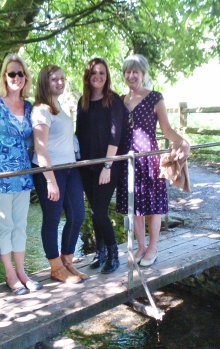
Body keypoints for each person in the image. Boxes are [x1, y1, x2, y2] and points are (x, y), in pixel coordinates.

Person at [0, 53, 42, 295]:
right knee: (6, 225)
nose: (16, 77)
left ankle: (22, 272)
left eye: (20, 73)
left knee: (20, 225)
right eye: (11, 73)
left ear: (25, 77)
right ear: (4, 76)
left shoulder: (29, 106)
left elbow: (35, 140)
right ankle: (10, 274)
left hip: (22, 174)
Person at [116, 53, 190, 267]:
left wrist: (182, 141)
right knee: (135, 207)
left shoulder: (155, 98)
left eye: (135, 71)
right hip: (128, 161)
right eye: (128, 71)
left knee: (152, 207)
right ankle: (140, 246)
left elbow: (166, 129)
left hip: (149, 159)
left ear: (143, 73)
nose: (131, 75)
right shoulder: (121, 100)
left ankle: (153, 248)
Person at [31, 64, 86, 284]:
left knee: (77, 215)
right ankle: (55, 267)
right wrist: (50, 181)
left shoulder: (58, 106)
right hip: (50, 172)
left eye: (62, 78)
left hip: (70, 169)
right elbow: (40, 148)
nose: (60, 82)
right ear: (45, 81)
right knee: (52, 219)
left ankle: (67, 260)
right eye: (55, 79)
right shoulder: (41, 110)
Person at [75, 58, 124, 274]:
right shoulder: (82, 102)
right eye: (94, 73)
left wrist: (107, 166)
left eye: (102, 73)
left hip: (107, 165)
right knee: (93, 212)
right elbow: (80, 134)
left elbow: (115, 135)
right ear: (87, 76)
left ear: (107, 76)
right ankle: (100, 252)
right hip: (86, 165)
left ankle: (114, 254)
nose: (98, 76)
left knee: (100, 211)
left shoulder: (113, 100)